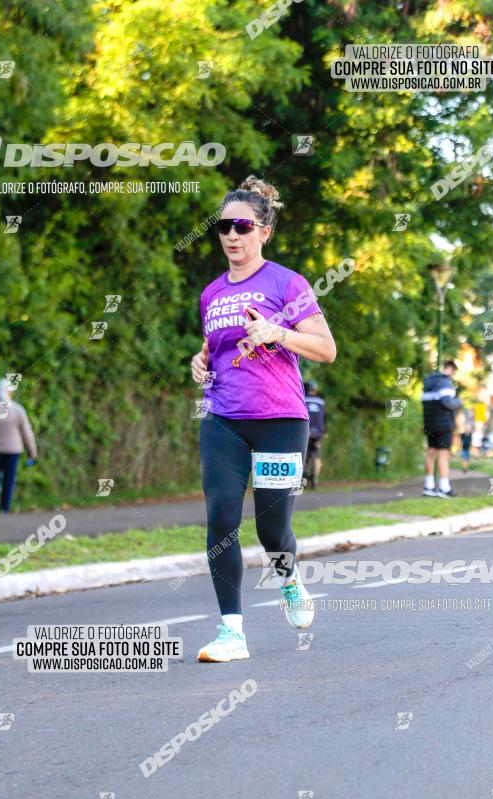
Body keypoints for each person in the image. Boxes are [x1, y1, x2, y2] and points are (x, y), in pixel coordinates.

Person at [190, 175, 336, 662]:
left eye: (243, 226)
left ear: (263, 232)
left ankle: (289, 577)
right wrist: (201, 360)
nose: (232, 235)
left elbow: (326, 349)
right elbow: (216, 347)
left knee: (272, 531)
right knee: (221, 519)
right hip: (223, 419)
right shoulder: (211, 293)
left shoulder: (286, 283)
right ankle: (232, 631)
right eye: (224, 227)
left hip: (280, 419)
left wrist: (278, 331)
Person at [0, 378, 37, 513]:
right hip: (12, 449)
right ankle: (4, 508)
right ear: (8, 392)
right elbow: (27, 432)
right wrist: (32, 452)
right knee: (8, 479)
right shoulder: (17, 409)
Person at [421, 359, 462, 498]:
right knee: (444, 454)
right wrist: (459, 401)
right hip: (444, 424)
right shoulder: (445, 382)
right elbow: (448, 403)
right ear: (450, 369)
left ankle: (429, 486)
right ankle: (444, 488)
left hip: (429, 423)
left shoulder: (428, 382)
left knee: (431, 453)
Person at [304, 380, 327, 488]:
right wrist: (323, 432)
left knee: (303, 456)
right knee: (317, 456)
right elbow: (324, 418)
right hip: (318, 433)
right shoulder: (321, 402)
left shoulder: (302, 399)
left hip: (305, 432)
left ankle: (302, 480)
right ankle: (315, 480)